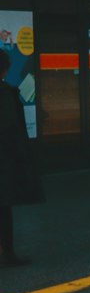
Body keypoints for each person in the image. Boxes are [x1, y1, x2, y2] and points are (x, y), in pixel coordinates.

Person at [0, 49, 32, 266]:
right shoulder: (4, 94)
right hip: (3, 160)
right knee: (3, 208)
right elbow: (9, 128)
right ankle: (8, 253)